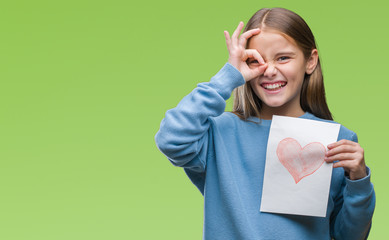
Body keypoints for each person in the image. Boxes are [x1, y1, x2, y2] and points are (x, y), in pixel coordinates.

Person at [155, 7, 375, 240]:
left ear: (310, 61)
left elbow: (348, 236)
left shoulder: (337, 139)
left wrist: (359, 180)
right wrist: (229, 76)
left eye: (283, 58)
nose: (269, 70)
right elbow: (171, 139)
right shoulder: (220, 133)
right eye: (256, 60)